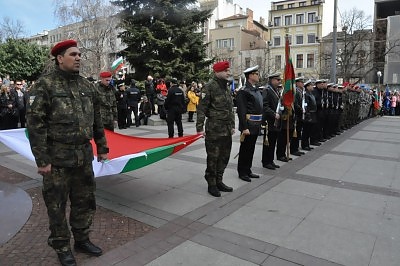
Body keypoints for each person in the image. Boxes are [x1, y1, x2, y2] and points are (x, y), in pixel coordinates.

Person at [26, 39, 109, 266]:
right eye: (73, 54)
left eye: (79, 54)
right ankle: (62, 246)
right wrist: (42, 160)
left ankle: (82, 239)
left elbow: (97, 120)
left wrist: (102, 147)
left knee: (85, 201)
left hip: (83, 156)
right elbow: (35, 125)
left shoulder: (86, 86)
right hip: (57, 160)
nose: (79, 57)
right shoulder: (44, 85)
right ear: (60, 58)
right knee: (57, 205)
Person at [196, 61, 235, 197]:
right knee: (213, 157)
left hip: (226, 129)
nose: (228, 73)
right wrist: (199, 128)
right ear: (217, 72)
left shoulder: (226, 87)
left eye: (228, 70)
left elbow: (230, 109)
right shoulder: (209, 87)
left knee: (224, 157)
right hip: (214, 129)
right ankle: (211, 183)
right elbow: (201, 109)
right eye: (226, 70)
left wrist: (232, 126)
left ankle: (219, 180)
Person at [235, 65, 262, 182]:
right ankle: (242, 172)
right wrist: (244, 127)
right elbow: (241, 110)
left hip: (256, 124)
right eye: (256, 74)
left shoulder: (256, 90)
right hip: (249, 125)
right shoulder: (244, 91)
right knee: (245, 149)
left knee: (251, 149)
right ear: (250, 76)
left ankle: (248, 170)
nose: (258, 76)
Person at [261, 73, 282, 170]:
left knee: (273, 142)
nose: (279, 81)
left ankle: (271, 160)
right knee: (268, 142)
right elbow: (265, 106)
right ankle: (266, 162)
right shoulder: (267, 90)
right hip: (269, 121)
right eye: (277, 80)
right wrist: (274, 114)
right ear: (272, 80)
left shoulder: (276, 90)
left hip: (275, 121)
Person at [290, 77, 305, 156]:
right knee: (295, 133)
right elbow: (295, 104)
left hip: (300, 115)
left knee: (298, 133)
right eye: (302, 82)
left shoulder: (301, 92)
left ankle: (296, 148)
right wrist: (301, 109)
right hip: (296, 115)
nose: (303, 84)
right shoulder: (295, 91)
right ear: (297, 83)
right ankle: (293, 149)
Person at [301, 80, 317, 150]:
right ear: (307, 87)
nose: (312, 86)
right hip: (309, 114)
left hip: (312, 114)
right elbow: (306, 106)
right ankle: (304, 145)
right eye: (310, 85)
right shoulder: (306, 95)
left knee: (309, 131)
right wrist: (307, 115)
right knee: (306, 131)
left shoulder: (311, 94)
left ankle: (307, 144)